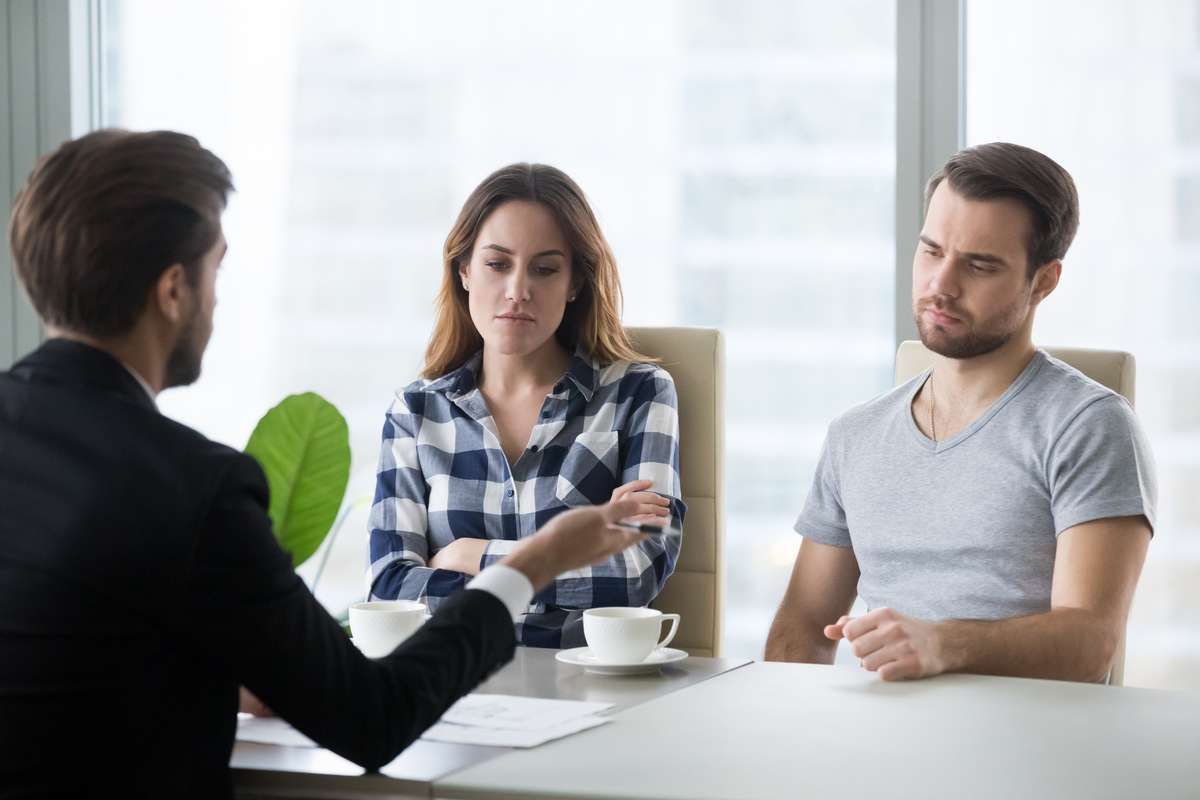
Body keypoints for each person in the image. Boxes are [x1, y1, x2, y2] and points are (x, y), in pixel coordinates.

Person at [0, 129, 649, 798]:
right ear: (173, 290)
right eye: (216, 269)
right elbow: (373, 715)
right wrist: (532, 562)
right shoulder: (195, 489)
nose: (219, 299)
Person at [765, 142, 1156, 683]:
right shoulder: (855, 434)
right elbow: (803, 628)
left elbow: (1090, 644)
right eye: (931, 252)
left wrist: (942, 642)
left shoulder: (1088, 425)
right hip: (866, 747)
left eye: (979, 265)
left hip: (1020, 751)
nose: (940, 286)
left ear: (1043, 280)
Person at [367, 163, 685, 648]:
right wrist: (563, 557)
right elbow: (391, 589)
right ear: (465, 270)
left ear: (575, 282)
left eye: (545, 268)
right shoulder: (414, 412)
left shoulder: (639, 393)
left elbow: (634, 575)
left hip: (589, 690)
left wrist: (466, 556)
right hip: (451, 689)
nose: (518, 290)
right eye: (498, 264)